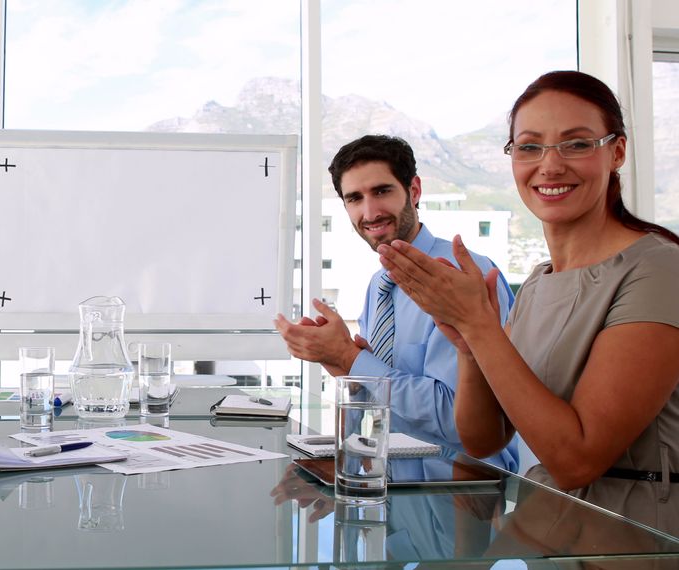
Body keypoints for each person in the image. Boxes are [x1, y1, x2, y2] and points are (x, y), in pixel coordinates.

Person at [376, 70, 679, 532]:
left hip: (634, 536)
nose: (550, 166)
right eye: (530, 147)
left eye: (577, 144)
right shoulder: (537, 283)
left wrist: (480, 327)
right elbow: (482, 438)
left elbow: (578, 459)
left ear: (616, 151)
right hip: (549, 527)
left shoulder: (658, 269)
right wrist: (468, 344)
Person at [274, 135, 518, 471]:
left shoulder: (465, 277)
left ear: (414, 191)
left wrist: (353, 358)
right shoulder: (378, 285)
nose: (369, 212)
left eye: (382, 191)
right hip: (395, 489)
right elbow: (386, 403)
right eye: (355, 198)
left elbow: (460, 422)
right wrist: (349, 370)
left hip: (464, 489)